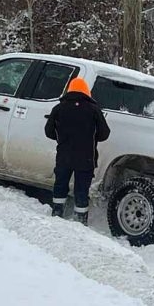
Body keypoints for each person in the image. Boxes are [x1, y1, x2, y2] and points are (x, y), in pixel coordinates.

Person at [44, 77, 110, 225]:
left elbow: (48, 131)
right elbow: (104, 134)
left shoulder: (58, 108)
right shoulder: (94, 110)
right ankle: (81, 219)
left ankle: (57, 211)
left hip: (64, 155)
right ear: (87, 92)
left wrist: (60, 138)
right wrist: (91, 139)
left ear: (69, 90)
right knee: (81, 189)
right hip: (86, 157)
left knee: (60, 184)